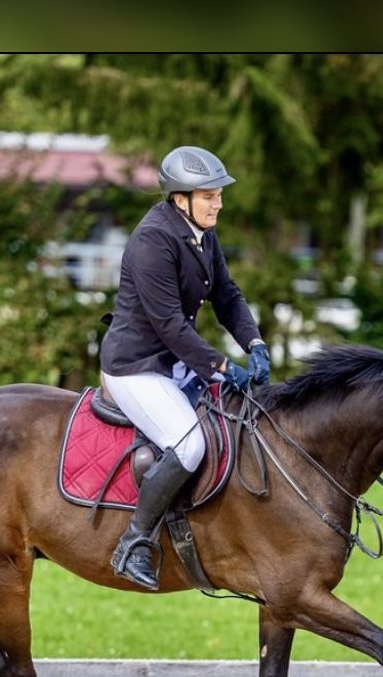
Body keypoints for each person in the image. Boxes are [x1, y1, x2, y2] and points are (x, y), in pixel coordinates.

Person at [99, 145, 272, 590]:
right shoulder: (151, 240)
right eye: (209, 195)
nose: (219, 202)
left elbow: (228, 296)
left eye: (218, 194)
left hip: (173, 363)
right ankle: (134, 542)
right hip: (135, 368)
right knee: (189, 446)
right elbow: (169, 324)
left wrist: (254, 344)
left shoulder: (202, 233)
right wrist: (222, 366)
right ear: (180, 198)